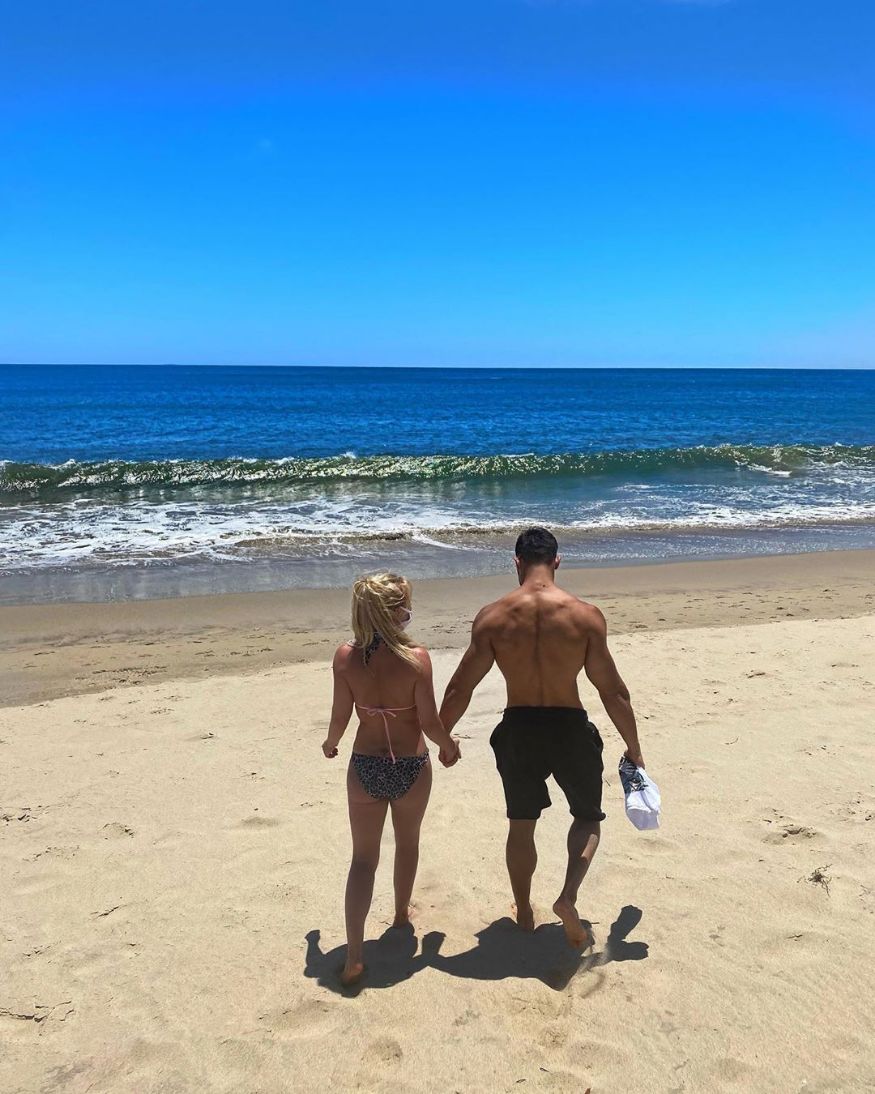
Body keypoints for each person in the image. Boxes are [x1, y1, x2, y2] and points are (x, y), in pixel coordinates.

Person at [439, 527, 644, 948]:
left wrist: (443, 737)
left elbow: (461, 687)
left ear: (516, 563)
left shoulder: (493, 618)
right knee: (587, 817)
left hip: (519, 729)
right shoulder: (585, 616)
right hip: (569, 726)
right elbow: (612, 691)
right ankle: (567, 897)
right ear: (557, 561)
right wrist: (634, 747)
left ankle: (525, 911)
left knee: (521, 824)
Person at [322, 571, 461, 986]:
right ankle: (401, 913)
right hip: (410, 767)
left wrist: (330, 742)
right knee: (407, 843)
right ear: (395, 613)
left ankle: (354, 954)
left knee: (362, 860)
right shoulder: (416, 658)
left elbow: (340, 715)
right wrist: (449, 746)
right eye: (405, 606)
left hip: (365, 766)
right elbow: (429, 721)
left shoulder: (345, 657)